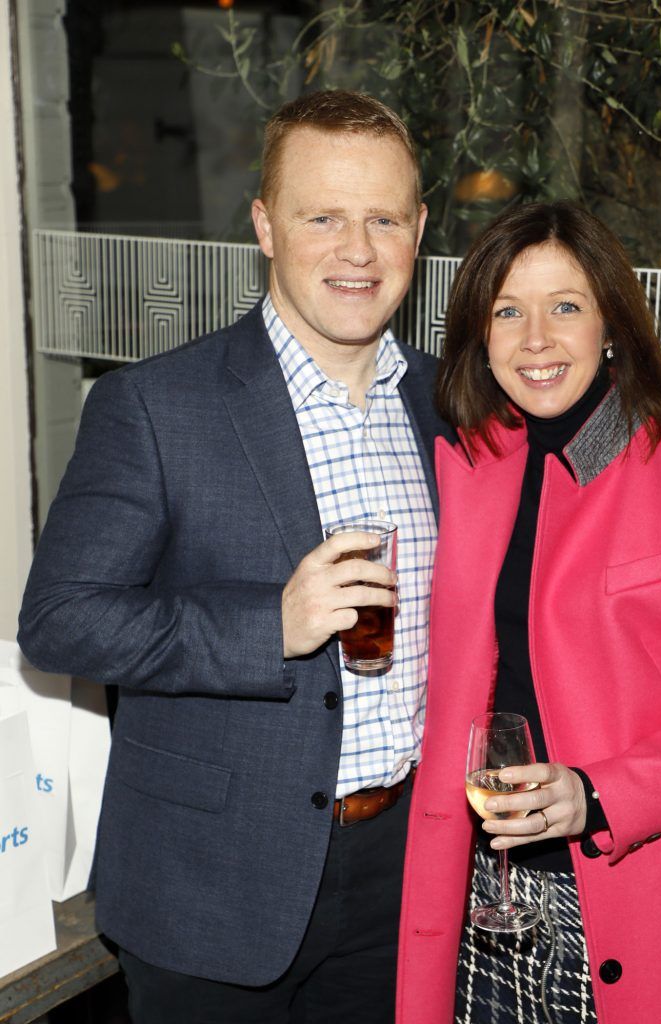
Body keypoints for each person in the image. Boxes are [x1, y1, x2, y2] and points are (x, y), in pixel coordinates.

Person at [18, 90, 449, 1024]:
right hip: (209, 885)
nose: (357, 249)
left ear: (419, 229)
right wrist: (270, 626)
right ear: (263, 224)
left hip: (402, 876)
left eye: (382, 218)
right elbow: (57, 620)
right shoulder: (155, 407)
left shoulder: (446, 406)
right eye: (322, 216)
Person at [396, 201, 661, 1024]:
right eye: (506, 311)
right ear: (481, 337)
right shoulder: (458, 473)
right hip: (488, 895)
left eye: (565, 306)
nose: (535, 338)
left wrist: (596, 793)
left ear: (612, 326)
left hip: (654, 904)